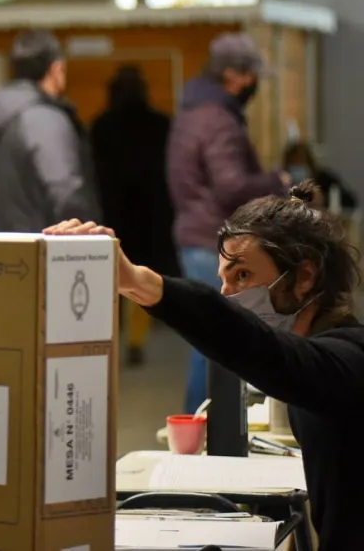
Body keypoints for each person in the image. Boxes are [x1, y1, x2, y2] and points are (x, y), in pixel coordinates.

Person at [44, 183, 364, 550]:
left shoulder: (349, 360)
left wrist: (141, 282)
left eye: (242, 276)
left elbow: (269, 352)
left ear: (304, 277)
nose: (228, 294)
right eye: (223, 279)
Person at [166, 32, 289, 414]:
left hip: (194, 235)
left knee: (206, 341)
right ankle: (203, 432)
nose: (253, 85)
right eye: (251, 76)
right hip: (213, 242)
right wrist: (277, 183)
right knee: (215, 345)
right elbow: (231, 185)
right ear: (233, 77)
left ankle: (197, 431)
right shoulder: (218, 119)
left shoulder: (192, 112)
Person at [90, 65, 179, 366]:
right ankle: (136, 340)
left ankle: (109, 337)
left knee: (108, 275)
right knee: (140, 273)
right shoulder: (161, 125)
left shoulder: (101, 126)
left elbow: (94, 174)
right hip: (150, 214)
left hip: (111, 212)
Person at [0, 29, 99, 231]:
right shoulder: (44, 118)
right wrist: (87, 240)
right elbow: (66, 191)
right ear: (56, 68)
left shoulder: (4, 115)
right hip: (46, 250)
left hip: (10, 245)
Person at [282, 141, 357, 212]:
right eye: (293, 163)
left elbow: (350, 201)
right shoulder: (283, 184)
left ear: (309, 163)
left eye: (300, 162)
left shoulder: (325, 179)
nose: (297, 167)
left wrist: (324, 199)